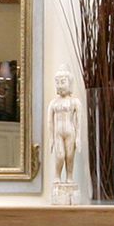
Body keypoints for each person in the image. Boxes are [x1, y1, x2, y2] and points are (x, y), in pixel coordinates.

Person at [48, 69, 80, 204]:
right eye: (58, 82)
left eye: (63, 82)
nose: (60, 85)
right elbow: (50, 122)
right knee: (60, 156)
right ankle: (57, 175)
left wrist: (78, 137)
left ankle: (69, 177)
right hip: (58, 133)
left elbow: (78, 122)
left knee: (70, 156)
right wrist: (51, 138)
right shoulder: (53, 103)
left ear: (69, 83)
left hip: (70, 131)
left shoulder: (74, 102)